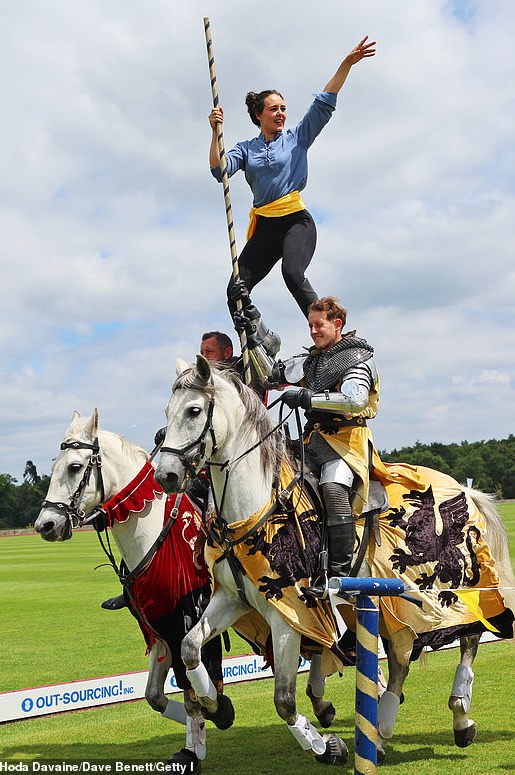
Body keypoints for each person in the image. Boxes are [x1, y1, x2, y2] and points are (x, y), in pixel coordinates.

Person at [209, 37, 376, 319]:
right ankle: (258, 340)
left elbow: (324, 103)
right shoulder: (245, 149)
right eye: (274, 109)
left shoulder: (297, 138)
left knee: (292, 273)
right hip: (265, 226)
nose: (281, 114)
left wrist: (346, 64)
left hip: (295, 221)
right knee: (235, 290)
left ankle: (325, 328)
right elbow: (219, 171)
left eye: (283, 108)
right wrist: (215, 131)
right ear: (258, 115)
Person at [235, 292, 378, 598]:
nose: (313, 331)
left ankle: (341, 575)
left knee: (332, 488)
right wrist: (251, 326)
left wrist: (307, 397)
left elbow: (355, 400)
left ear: (336, 324)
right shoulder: (312, 361)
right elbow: (269, 374)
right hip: (312, 442)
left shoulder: (356, 359)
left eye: (319, 325)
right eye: (310, 325)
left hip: (345, 445)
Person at [102, 331, 240, 611]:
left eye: (209, 351)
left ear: (227, 353)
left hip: (228, 464)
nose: (203, 356)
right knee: (151, 512)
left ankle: (214, 582)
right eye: (201, 350)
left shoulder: (237, 377)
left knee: (211, 520)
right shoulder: (198, 385)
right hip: (198, 463)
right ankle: (131, 585)